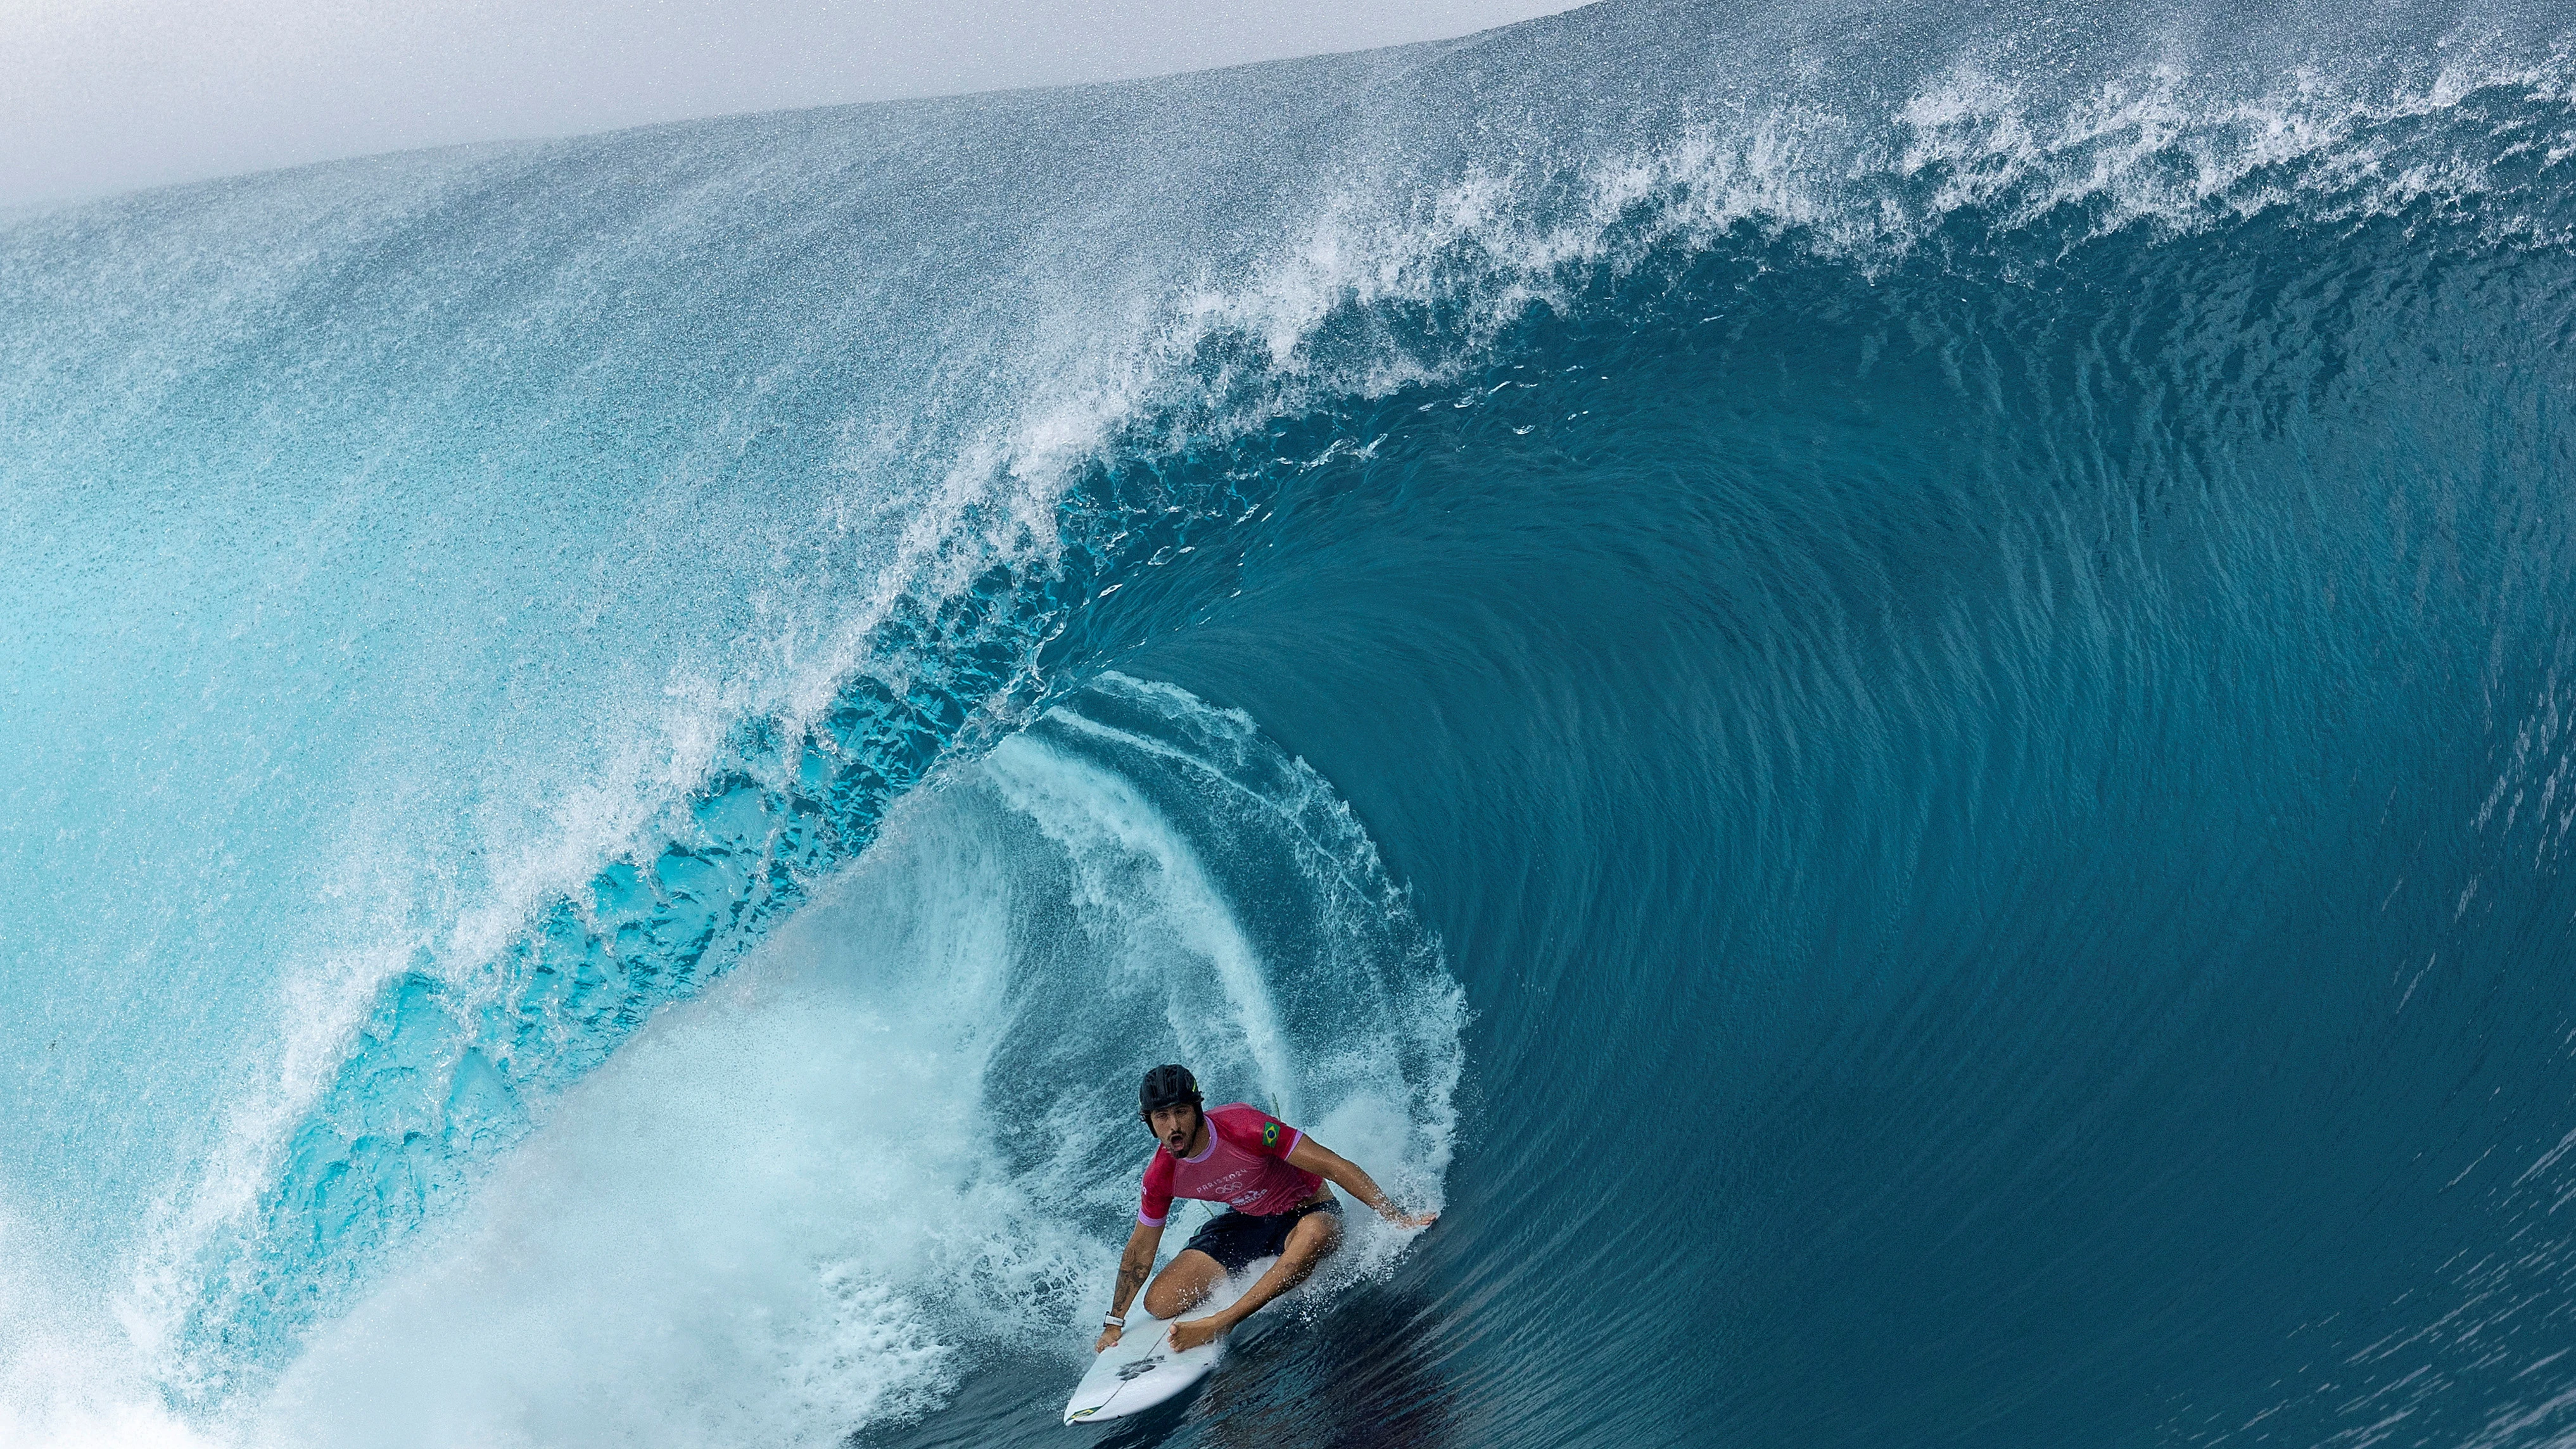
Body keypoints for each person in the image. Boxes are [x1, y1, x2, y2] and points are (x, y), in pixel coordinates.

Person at [1094, 1063, 1438, 1355]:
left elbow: (1335, 1166)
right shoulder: (1160, 1175)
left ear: (1197, 1110)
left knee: (1316, 1235)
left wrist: (1396, 1217)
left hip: (1309, 1209)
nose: (1174, 1127)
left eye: (1181, 1112)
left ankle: (1222, 1320)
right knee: (1160, 1302)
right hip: (1247, 1220)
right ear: (1149, 1122)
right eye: (1162, 1116)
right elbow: (1140, 1249)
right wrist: (1114, 1323)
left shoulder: (1246, 1128)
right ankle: (1240, 1271)